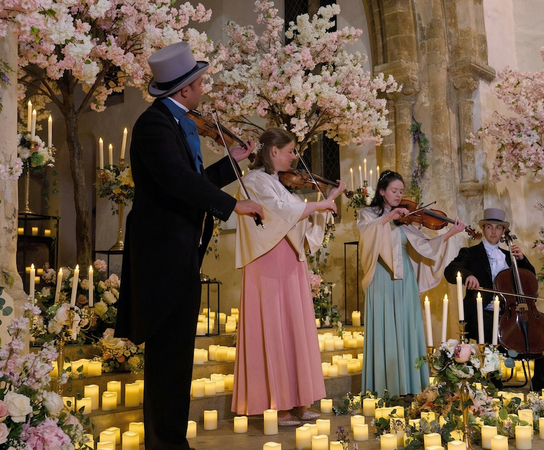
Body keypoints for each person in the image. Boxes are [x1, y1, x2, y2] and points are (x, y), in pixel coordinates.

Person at [114, 41, 263, 450]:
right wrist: (236, 204)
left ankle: (172, 442)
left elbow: (193, 181)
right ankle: (164, 444)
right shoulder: (155, 125)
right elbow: (178, 182)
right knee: (166, 357)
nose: (204, 89)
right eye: (200, 82)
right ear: (184, 90)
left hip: (181, 256)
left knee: (177, 356)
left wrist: (231, 161)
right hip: (162, 259)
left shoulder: (175, 121)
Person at [232, 128, 348, 426]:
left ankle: (297, 401)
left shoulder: (277, 183)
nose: (294, 157)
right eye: (290, 151)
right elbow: (277, 212)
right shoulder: (254, 180)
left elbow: (294, 215)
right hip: (268, 261)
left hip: (290, 260)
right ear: (273, 152)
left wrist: (326, 203)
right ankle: (276, 404)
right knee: (273, 328)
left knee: (294, 328)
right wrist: (316, 205)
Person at [356, 170, 465, 398]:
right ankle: (385, 387)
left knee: (407, 327)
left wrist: (451, 232)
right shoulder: (367, 215)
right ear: (382, 191)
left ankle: (410, 387)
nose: (398, 195)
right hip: (381, 277)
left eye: (401, 191)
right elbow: (366, 236)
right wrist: (388, 217)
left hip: (404, 278)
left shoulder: (405, 218)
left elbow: (424, 245)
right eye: (394, 191)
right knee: (384, 328)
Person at [444, 208, 544, 392]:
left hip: (509, 311)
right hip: (482, 312)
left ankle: (539, 378)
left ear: (503, 232)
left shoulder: (510, 256)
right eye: (489, 227)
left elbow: (529, 279)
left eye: (498, 228)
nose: (493, 231)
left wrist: (522, 260)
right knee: (493, 327)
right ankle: (493, 376)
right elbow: (450, 271)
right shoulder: (470, 253)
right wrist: (467, 276)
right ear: (483, 229)